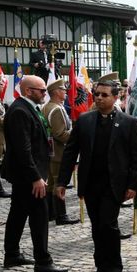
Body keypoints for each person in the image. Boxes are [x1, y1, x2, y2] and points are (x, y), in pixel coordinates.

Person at [57, 79, 137, 272]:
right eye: (97, 94)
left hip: (114, 185)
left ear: (116, 97)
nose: (99, 98)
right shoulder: (84, 120)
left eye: (105, 95)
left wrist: (133, 184)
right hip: (91, 183)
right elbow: (70, 152)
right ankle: (101, 269)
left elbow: (136, 157)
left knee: (108, 225)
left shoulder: (129, 123)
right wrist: (61, 181)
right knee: (97, 227)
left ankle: (115, 270)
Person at [2, 75, 68, 272]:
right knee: (39, 216)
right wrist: (35, 177)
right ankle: (43, 261)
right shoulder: (20, 111)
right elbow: (23, 150)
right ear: (29, 91)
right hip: (28, 176)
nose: (44, 94)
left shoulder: (28, 108)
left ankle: (12, 255)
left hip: (29, 173)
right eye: (41, 91)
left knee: (18, 213)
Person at [42, 79, 78, 226]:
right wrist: (76, 135)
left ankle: (51, 213)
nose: (65, 92)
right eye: (63, 90)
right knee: (58, 182)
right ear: (56, 92)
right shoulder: (56, 109)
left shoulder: (48, 106)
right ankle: (61, 215)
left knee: (52, 182)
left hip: (51, 150)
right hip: (58, 150)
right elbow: (60, 133)